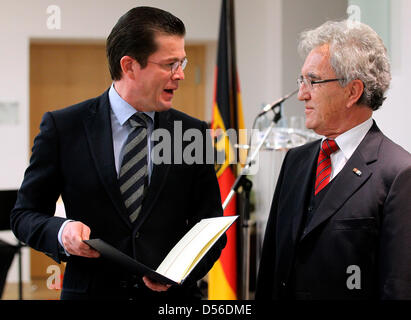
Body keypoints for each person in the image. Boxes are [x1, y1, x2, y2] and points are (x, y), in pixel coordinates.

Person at [11, 6, 225, 300]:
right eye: (171, 64)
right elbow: (24, 215)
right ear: (129, 66)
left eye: (183, 62)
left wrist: (182, 273)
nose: (181, 75)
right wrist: (62, 233)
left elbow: (211, 228)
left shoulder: (194, 133)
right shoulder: (64, 127)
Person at [256, 20, 411, 300]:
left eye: (312, 81)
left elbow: (398, 286)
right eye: (301, 81)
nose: (302, 94)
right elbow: (270, 268)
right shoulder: (296, 161)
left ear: (352, 91)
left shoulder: (398, 173)